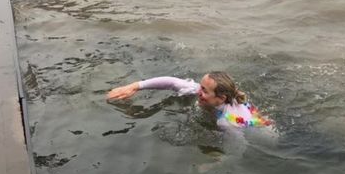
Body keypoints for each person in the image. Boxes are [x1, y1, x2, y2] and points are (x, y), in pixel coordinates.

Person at [107, 71, 273, 129]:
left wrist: (217, 160)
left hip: (259, 131)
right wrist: (134, 86)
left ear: (221, 98)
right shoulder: (224, 96)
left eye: (204, 90)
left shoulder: (228, 122)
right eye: (200, 86)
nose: (197, 91)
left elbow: (238, 147)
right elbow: (172, 82)